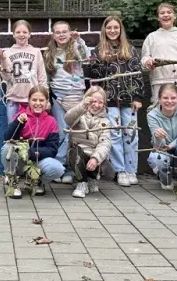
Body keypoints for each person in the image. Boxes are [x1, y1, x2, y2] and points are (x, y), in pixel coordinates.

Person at [87, 16, 145, 187]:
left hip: (128, 100)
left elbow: (138, 74)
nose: (113, 31)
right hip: (109, 100)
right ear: (104, 30)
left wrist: (138, 97)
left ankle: (131, 169)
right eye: (109, 28)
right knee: (114, 134)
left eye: (116, 28)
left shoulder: (131, 50)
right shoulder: (97, 51)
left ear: (121, 30)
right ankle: (120, 170)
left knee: (131, 134)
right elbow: (94, 77)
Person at [44, 21, 89, 185]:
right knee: (62, 133)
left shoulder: (76, 48)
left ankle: (70, 170)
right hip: (59, 97)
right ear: (53, 35)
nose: (61, 35)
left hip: (77, 97)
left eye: (65, 31)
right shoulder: (50, 53)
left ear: (70, 33)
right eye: (58, 32)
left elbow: (86, 58)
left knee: (75, 135)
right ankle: (59, 167)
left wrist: (80, 41)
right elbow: (47, 79)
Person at [2, 86, 65, 198]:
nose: (38, 103)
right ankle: (13, 182)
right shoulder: (20, 117)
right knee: (7, 148)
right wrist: (18, 123)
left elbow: (52, 149)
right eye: (34, 100)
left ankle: (37, 181)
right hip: (20, 161)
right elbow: (7, 138)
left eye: (41, 100)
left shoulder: (51, 121)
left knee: (58, 169)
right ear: (29, 101)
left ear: (47, 102)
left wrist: (35, 152)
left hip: (37, 159)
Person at [141, 3, 177, 110]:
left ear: (175, 16)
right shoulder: (151, 37)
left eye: (169, 12)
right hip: (159, 82)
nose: (166, 15)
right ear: (158, 17)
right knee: (159, 118)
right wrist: (148, 62)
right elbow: (144, 59)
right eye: (162, 13)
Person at [146, 83, 177, 200]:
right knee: (156, 158)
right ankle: (165, 178)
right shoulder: (152, 115)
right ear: (159, 99)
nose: (169, 101)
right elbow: (157, 145)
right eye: (165, 98)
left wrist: (172, 145)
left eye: (173, 98)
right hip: (162, 148)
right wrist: (158, 136)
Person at [64, 86, 112, 198]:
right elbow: (68, 119)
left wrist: (95, 158)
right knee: (76, 156)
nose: (96, 105)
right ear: (87, 99)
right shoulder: (80, 114)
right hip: (79, 151)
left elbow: (105, 143)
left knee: (109, 171)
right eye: (93, 101)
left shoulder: (105, 121)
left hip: (94, 153)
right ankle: (81, 183)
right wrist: (82, 106)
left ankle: (92, 178)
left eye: (100, 102)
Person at [0, 19, 47, 123]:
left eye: (24, 32)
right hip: (14, 100)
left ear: (29, 34)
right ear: (13, 34)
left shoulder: (36, 52)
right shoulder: (8, 53)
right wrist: (2, 59)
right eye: (18, 32)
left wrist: (46, 98)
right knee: (13, 133)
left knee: (33, 132)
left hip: (33, 100)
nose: (21, 35)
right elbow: (7, 77)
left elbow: (42, 77)